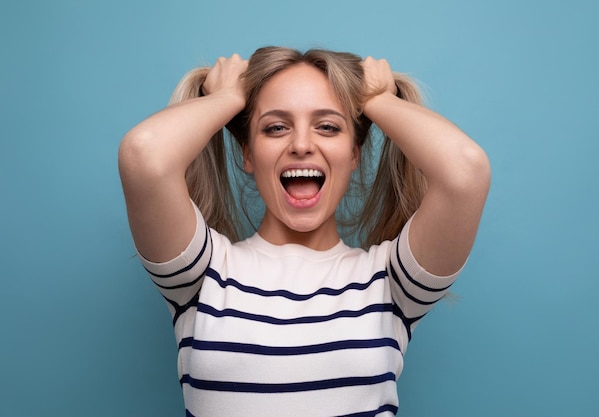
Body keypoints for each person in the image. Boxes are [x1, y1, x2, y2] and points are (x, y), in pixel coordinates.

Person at [118, 46, 491, 417]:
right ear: (248, 153)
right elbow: (144, 155)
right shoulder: (202, 275)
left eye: (328, 126)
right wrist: (229, 97)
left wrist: (377, 100)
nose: (300, 145)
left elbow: (465, 171)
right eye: (275, 127)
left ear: (354, 152)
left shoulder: (390, 284)